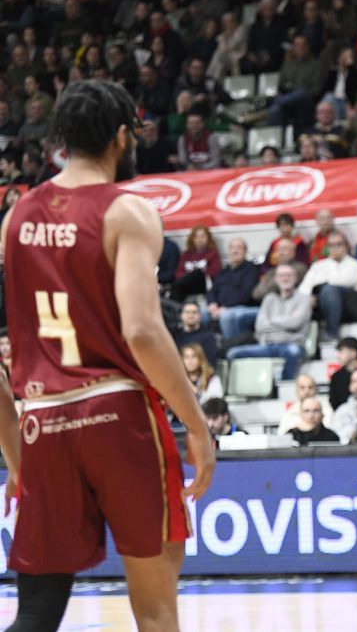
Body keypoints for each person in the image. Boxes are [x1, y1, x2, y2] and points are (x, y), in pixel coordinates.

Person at [0, 79, 214, 631]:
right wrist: (196, 423)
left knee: (37, 613)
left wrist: (17, 455)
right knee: (156, 610)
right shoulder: (127, 212)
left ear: (62, 138)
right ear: (122, 136)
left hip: (42, 421)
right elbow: (141, 330)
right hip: (118, 415)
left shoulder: (15, 217)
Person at [227, 263, 311, 381]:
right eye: (282, 276)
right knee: (233, 353)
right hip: (267, 345)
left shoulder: (303, 299)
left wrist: (272, 320)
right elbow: (260, 326)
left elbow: (295, 323)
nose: (285, 278)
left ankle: (284, 389)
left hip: (292, 344)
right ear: (276, 279)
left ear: (295, 278)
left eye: (288, 275)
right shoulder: (269, 299)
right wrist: (286, 321)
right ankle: (255, 387)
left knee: (293, 352)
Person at [297, 231, 357, 339]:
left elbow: (345, 281)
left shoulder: (354, 264)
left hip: (349, 304)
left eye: (339, 244)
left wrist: (322, 283)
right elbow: (304, 288)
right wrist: (309, 296)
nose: (335, 248)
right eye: (332, 245)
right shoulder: (318, 265)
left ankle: (332, 333)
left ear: (345, 246)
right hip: (322, 304)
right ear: (327, 248)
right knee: (308, 298)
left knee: (329, 289)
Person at [207, 237, 260, 341]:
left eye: (239, 247)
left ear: (245, 251)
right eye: (232, 247)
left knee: (227, 316)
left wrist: (225, 307)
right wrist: (212, 303)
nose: (235, 250)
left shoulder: (251, 269)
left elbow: (246, 294)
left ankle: (229, 348)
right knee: (201, 313)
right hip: (220, 308)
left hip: (243, 307)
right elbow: (212, 291)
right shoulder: (224, 270)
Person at [171, 225, 220, 302]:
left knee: (197, 272)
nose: (200, 239)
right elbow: (178, 273)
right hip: (187, 285)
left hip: (204, 284)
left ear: (208, 238)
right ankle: (175, 312)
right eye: (196, 236)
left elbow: (215, 272)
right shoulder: (186, 254)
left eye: (203, 236)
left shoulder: (213, 253)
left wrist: (197, 273)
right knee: (177, 287)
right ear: (192, 239)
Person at [172, 301, 220, 368]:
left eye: (194, 312)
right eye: (187, 312)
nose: (191, 315)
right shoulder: (175, 335)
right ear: (181, 315)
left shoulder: (208, 336)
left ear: (199, 316)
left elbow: (210, 361)